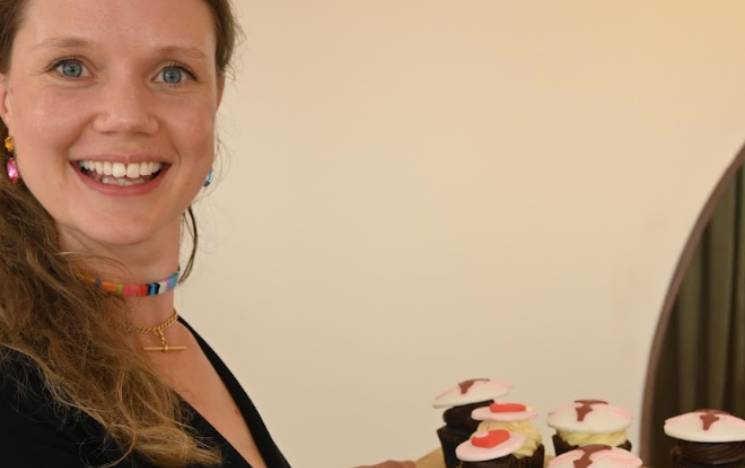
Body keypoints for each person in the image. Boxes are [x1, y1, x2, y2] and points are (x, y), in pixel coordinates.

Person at [0, 1, 416, 467]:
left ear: (215, 99)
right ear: (6, 98)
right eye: (70, 67)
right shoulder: (11, 390)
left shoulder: (155, 326)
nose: (127, 116)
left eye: (173, 73)